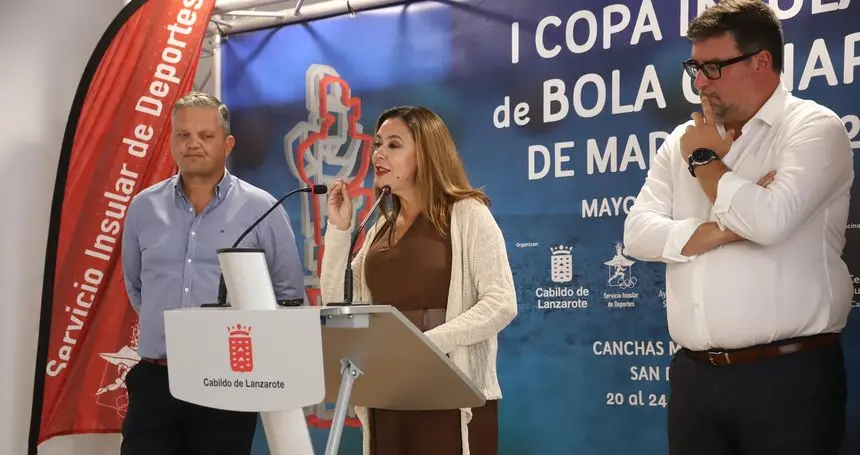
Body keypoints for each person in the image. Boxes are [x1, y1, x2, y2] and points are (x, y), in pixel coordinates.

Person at [624, 1, 853, 454]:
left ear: (760, 62)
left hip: (788, 379)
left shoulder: (813, 128)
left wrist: (706, 161)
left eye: (713, 67)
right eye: (695, 66)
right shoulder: (681, 139)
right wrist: (726, 227)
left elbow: (768, 223)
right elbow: (637, 233)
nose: (699, 83)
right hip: (694, 379)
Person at [320, 105, 517, 455]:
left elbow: (500, 302)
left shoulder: (468, 214)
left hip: (452, 394)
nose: (378, 154)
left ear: (426, 153)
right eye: (377, 143)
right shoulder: (379, 227)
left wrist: (426, 345)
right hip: (388, 390)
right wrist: (339, 230)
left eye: (394, 145)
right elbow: (337, 305)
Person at [120, 91, 305, 455]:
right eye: (183, 135)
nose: (194, 145)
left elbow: (288, 295)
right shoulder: (143, 208)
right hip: (156, 381)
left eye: (206, 136)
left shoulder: (261, 208)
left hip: (228, 382)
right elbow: (137, 286)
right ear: (171, 140)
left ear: (227, 142)